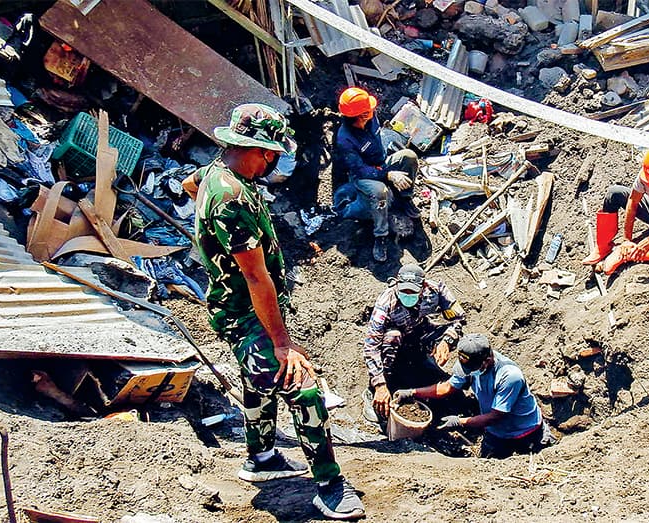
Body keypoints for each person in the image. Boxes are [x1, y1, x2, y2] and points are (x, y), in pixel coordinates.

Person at [183, 103, 364, 521]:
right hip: (245, 311)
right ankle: (329, 485)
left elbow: (191, 187)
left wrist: (210, 243)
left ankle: (261, 457)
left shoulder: (214, 173)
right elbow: (255, 276)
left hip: (236, 305)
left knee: (258, 381)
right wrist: (283, 344)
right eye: (275, 154)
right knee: (301, 386)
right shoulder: (231, 199)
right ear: (262, 151)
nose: (276, 162)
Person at [392, 334, 555, 459]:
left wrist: (460, 422)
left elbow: (495, 416)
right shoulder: (469, 366)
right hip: (496, 434)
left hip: (526, 431)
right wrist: (412, 392)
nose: (468, 372)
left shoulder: (509, 376)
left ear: (487, 359)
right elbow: (447, 388)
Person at [362, 264, 465, 421]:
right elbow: (371, 345)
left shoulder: (436, 290)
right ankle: (381, 386)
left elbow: (459, 319)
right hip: (395, 341)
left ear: (423, 287)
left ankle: (423, 363)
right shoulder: (386, 302)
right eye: (404, 291)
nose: (408, 295)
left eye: (413, 292)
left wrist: (446, 341)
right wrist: (379, 384)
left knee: (454, 335)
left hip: (419, 334)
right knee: (392, 336)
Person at [332, 87, 420, 262]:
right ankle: (380, 236)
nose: (373, 110)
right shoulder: (345, 139)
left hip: (380, 164)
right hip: (361, 176)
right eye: (369, 109)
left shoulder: (372, 120)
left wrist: (387, 169)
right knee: (380, 192)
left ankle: (404, 199)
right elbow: (359, 170)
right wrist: (388, 176)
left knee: (409, 157)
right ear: (361, 115)